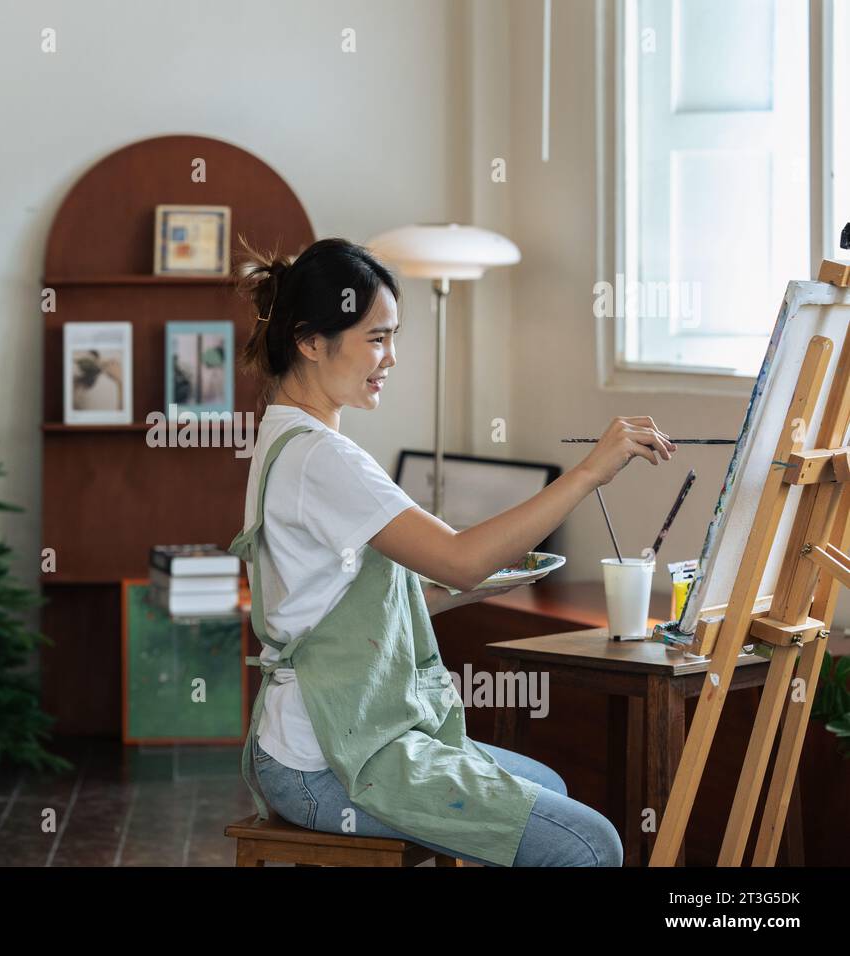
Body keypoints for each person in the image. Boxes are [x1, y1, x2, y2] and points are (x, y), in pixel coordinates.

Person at [227, 236, 677, 867]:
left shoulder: (286, 437)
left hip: (324, 741)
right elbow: (460, 557)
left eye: (394, 336)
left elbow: (339, 607)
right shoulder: (320, 457)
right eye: (376, 338)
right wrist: (589, 473)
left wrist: (455, 587)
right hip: (325, 760)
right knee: (589, 842)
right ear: (308, 340)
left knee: (548, 792)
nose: (392, 357)